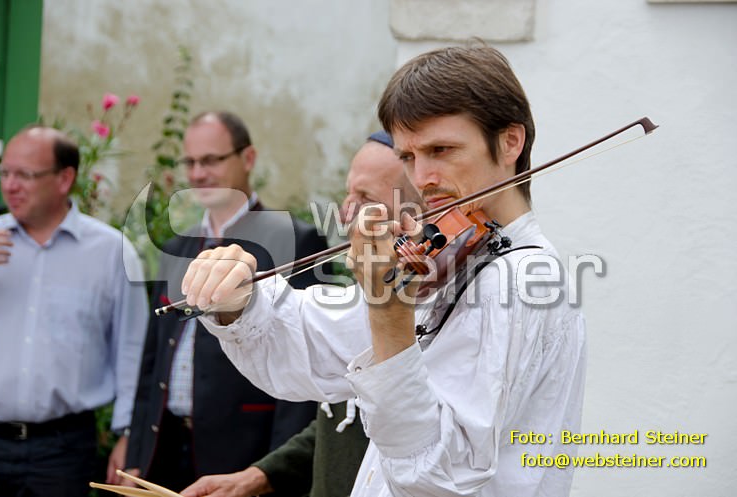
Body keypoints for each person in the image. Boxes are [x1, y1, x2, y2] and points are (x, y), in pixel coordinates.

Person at [181, 44, 586, 497]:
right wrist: (242, 302)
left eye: (441, 150)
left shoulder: (525, 280)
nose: (423, 177)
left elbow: (439, 473)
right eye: (409, 156)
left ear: (511, 142)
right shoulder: (450, 263)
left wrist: (389, 315)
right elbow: (312, 348)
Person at [180, 130, 419, 497]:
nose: (345, 211)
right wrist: (259, 476)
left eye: (366, 198)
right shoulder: (366, 291)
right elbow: (333, 412)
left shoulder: (432, 308)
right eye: (349, 193)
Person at [119, 111, 324, 491]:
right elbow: (153, 359)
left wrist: (274, 473)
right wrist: (137, 450)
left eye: (211, 160)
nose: (198, 174)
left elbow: (303, 355)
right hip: (166, 449)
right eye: (190, 162)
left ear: (248, 158)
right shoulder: (176, 246)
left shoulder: (293, 239)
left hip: (244, 449)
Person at [0, 126, 149, 497]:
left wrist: (128, 435)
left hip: (63, 450)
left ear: (64, 179)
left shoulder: (111, 253)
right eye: (4, 172)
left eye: (24, 175)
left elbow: (132, 350)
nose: (10, 185)